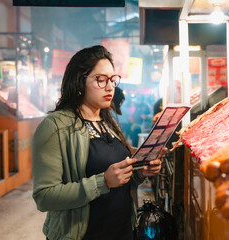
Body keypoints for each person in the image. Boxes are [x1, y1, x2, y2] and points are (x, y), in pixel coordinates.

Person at [31, 45, 165, 240]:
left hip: (122, 232)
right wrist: (102, 182)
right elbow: (44, 197)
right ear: (79, 81)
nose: (110, 87)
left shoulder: (107, 122)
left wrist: (140, 173)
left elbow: (118, 184)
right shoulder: (56, 126)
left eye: (112, 80)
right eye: (100, 80)